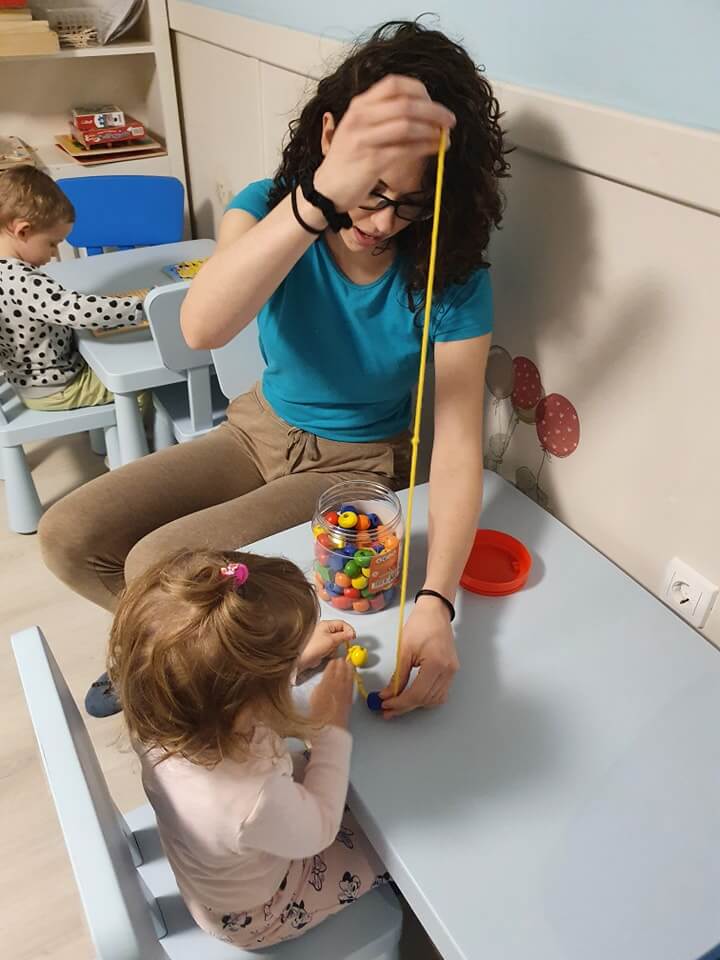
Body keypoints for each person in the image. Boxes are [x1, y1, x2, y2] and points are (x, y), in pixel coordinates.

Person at [40, 19, 509, 718]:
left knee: (155, 566)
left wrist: (438, 601)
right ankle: (179, 651)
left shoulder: (452, 272)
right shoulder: (269, 207)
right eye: (372, 191)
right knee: (69, 537)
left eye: (409, 206)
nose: (383, 223)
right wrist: (318, 201)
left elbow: (460, 444)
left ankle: (192, 656)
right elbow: (201, 327)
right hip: (257, 428)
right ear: (329, 137)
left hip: (358, 464)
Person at [109, 549, 390, 948]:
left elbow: (216, 687)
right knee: (394, 843)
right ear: (246, 699)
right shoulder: (252, 797)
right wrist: (330, 728)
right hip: (261, 911)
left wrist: (287, 662)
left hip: (213, 870)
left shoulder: (159, 715)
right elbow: (320, 830)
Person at [0, 165, 145, 410]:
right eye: (52, 243)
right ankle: (145, 434)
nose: (54, 254)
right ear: (23, 231)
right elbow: (76, 310)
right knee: (140, 386)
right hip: (58, 387)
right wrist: (139, 307)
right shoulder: (21, 280)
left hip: (32, 379)